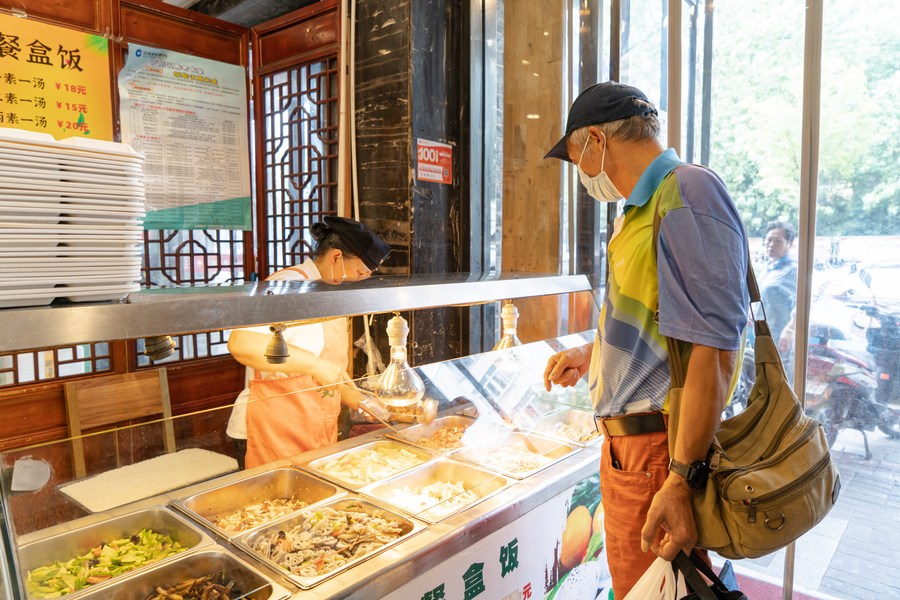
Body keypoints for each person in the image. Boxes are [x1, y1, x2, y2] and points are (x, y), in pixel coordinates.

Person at [541, 81, 749, 598]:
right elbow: (665, 325)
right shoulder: (639, 209)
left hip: (661, 450)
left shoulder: (688, 191)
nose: (583, 174)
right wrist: (593, 356)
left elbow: (715, 348)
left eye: (576, 157)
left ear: (595, 139)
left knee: (657, 588)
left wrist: (680, 478)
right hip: (631, 451)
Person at [226, 216, 390, 469]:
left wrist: (359, 400)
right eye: (359, 271)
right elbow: (241, 343)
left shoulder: (331, 293)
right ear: (336, 257)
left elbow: (330, 372)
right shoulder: (287, 285)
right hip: (273, 428)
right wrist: (315, 365)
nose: (360, 280)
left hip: (316, 425)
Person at [759, 220, 798, 345]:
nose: (771, 244)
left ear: (790, 244)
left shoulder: (792, 271)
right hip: (761, 334)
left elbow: (802, 305)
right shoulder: (767, 267)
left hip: (780, 338)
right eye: (769, 240)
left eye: (778, 241)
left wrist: (790, 330)